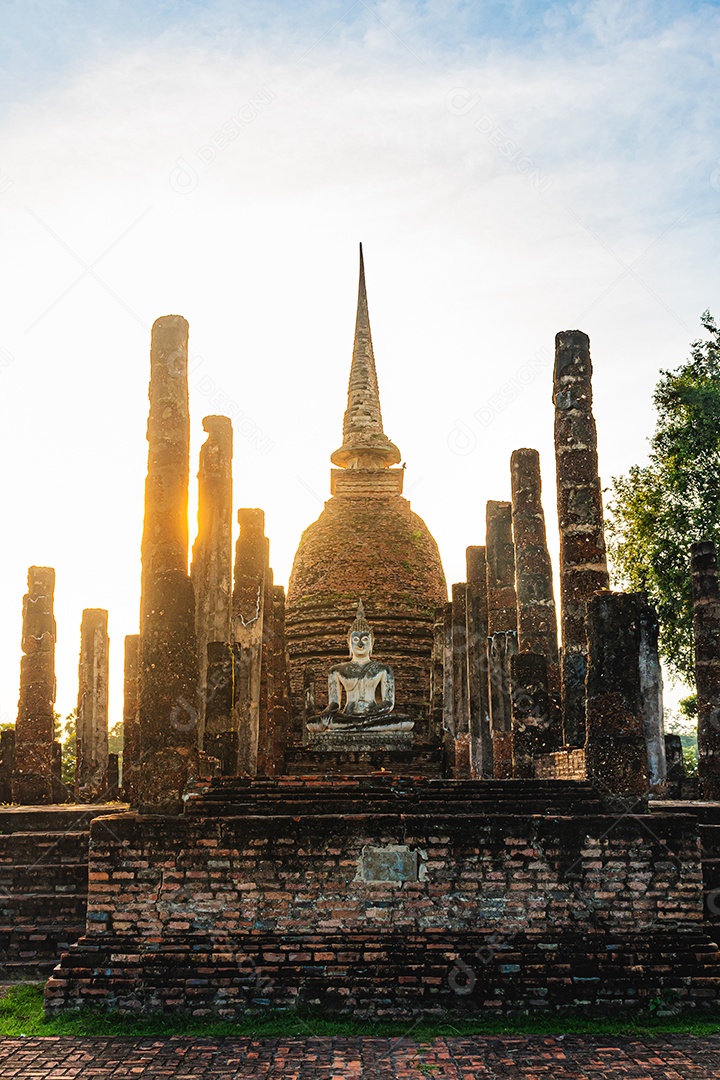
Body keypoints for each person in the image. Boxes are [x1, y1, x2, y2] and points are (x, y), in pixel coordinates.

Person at [307, 601, 413, 733]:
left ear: (372, 642)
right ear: (349, 642)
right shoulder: (336, 670)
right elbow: (335, 703)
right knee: (313, 723)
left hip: (373, 715)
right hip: (347, 716)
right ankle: (361, 726)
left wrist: (370, 713)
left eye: (365, 639)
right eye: (356, 640)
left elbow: (388, 703)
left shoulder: (383, 669)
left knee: (407, 722)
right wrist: (328, 711)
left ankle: (355, 726)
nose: (360, 644)